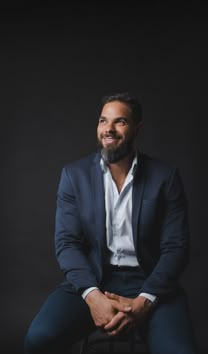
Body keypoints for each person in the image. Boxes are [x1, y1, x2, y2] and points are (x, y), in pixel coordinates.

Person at [24, 92, 197, 354]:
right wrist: (93, 296)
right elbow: (67, 243)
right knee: (38, 339)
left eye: (120, 122)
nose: (109, 129)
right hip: (94, 277)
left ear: (137, 129)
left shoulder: (165, 177)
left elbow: (176, 247)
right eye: (103, 121)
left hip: (149, 281)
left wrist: (144, 302)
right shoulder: (74, 176)